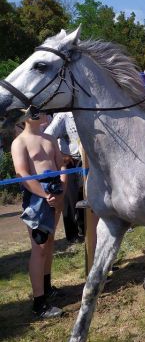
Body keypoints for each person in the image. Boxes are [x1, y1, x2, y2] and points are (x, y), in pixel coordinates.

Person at [11, 115, 67, 318]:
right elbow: (23, 174)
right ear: (24, 116)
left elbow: (61, 164)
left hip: (55, 192)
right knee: (40, 248)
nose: (41, 113)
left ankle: (47, 288)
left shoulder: (50, 138)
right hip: (37, 197)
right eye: (35, 110)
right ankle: (39, 303)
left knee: (49, 244)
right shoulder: (19, 142)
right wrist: (45, 195)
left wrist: (62, 186)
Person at [45, 112, 85, 244]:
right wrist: (61, 155)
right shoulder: (63, 116)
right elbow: (45, 139)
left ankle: (83, 230)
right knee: (70, 200)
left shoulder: (86, 110)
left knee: (84, 197)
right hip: (70, 163)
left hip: (86, 162)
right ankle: (72, 235)